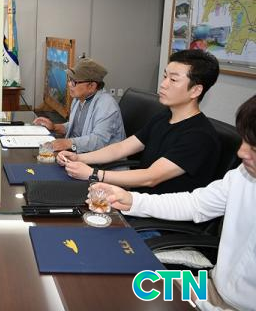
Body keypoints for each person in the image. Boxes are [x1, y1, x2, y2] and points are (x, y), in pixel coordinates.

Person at [89, 94, 256, 311]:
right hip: (208, 288)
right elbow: (195, 204)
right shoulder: (243, 175)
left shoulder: (201, 137)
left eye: (254, 147)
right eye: (244, 141)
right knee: (121, 286)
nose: (241, 152)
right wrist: (132, 200)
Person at [57, 49, 221, 194]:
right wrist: (78, 158)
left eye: (173, 80)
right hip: (134, 200)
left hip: (157, 213)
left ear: (195, 90)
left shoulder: (199, 136)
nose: (163, 84)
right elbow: (120, 148)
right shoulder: (163, 117)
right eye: (165, 76)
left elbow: (151, 177)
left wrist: (93, 174)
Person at [33, 58, 125, 152]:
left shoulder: (107, 106)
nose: (69, 84)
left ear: (92, 86)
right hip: (79, 153)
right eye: (69, 79)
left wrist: (68, 143)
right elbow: (76, 127)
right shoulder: (79, 99)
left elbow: (99, 141)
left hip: (100, 159)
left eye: (74, 82)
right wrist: (54, 127)